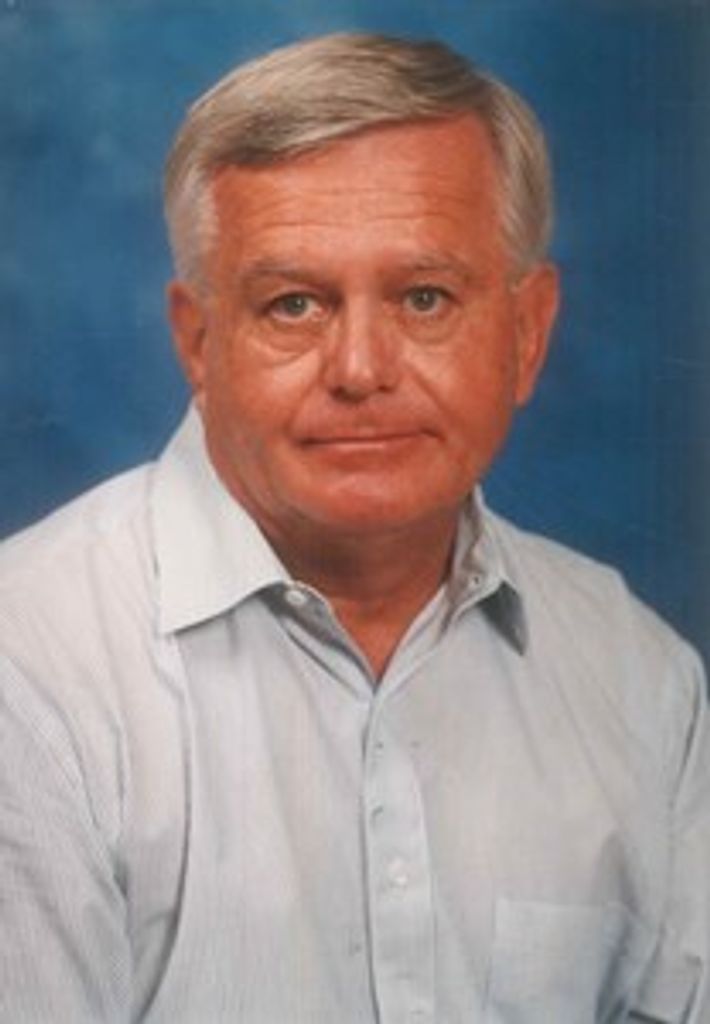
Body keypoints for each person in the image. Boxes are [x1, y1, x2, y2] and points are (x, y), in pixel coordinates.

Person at [0, 31, 708, 1024]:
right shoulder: (28, 668)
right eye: (294, 304)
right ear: (198, 343)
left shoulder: (641, 678)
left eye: (424, 298)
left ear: (526, 332)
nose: (361, 369)